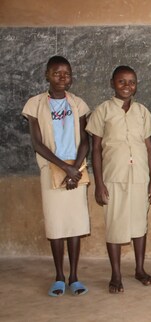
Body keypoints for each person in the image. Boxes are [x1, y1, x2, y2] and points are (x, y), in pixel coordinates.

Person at [22, 55, 90, 296]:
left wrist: (75, 168)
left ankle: (74, 277)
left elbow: (85, 141)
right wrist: (65, 168)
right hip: (52, 168)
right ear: (47, 75)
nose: (63, 77)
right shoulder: (35, 104)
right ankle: (59, 276)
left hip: (76, 169)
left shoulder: (78, 104)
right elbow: (37, 143)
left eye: (67, 73)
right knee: (56, 223)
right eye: (57, 73)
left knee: (74, 224)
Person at [86, 65, 151, 294]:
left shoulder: (142, 112)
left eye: (132, 82)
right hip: (113, 177)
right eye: (122, 82)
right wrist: (99, 183)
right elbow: (95, 149)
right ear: (112, 83)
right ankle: (116, 275)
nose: (127, 86)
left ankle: (139, 269)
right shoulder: (103, 111)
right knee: (115, 226)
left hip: (139, 176)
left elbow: (149, 149)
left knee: (140, 224)